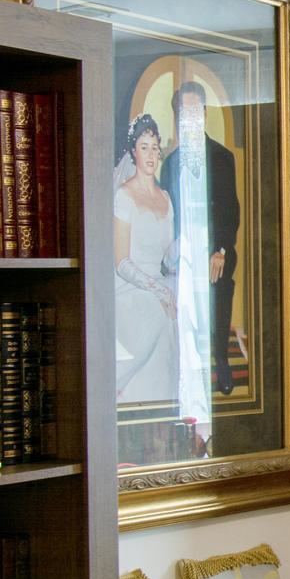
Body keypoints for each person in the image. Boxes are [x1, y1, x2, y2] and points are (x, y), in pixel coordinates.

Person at [157, 81, 242, 395]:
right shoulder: (171, 163)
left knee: (219, 281)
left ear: (204, 114)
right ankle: (184, 366)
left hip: (216, 246)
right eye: (183, 111)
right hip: (182, 248)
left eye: (194, 110)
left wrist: (219, 249)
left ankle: (220, 358)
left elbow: (231, 210)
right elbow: (166, 215)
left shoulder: (222, 158)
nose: (188, 117)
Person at [114, 115, 178, 404]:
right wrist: (157, 289)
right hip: (131, 290)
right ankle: (116, 384)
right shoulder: (123, 196)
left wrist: (187, 250)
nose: (150, 155)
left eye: (154, 147)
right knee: (157, 307)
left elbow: (169, 255)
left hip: (160, 284)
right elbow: (121, 262)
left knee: (174, 310)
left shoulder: (165, 197)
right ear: (133, 152)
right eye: (144, 147)